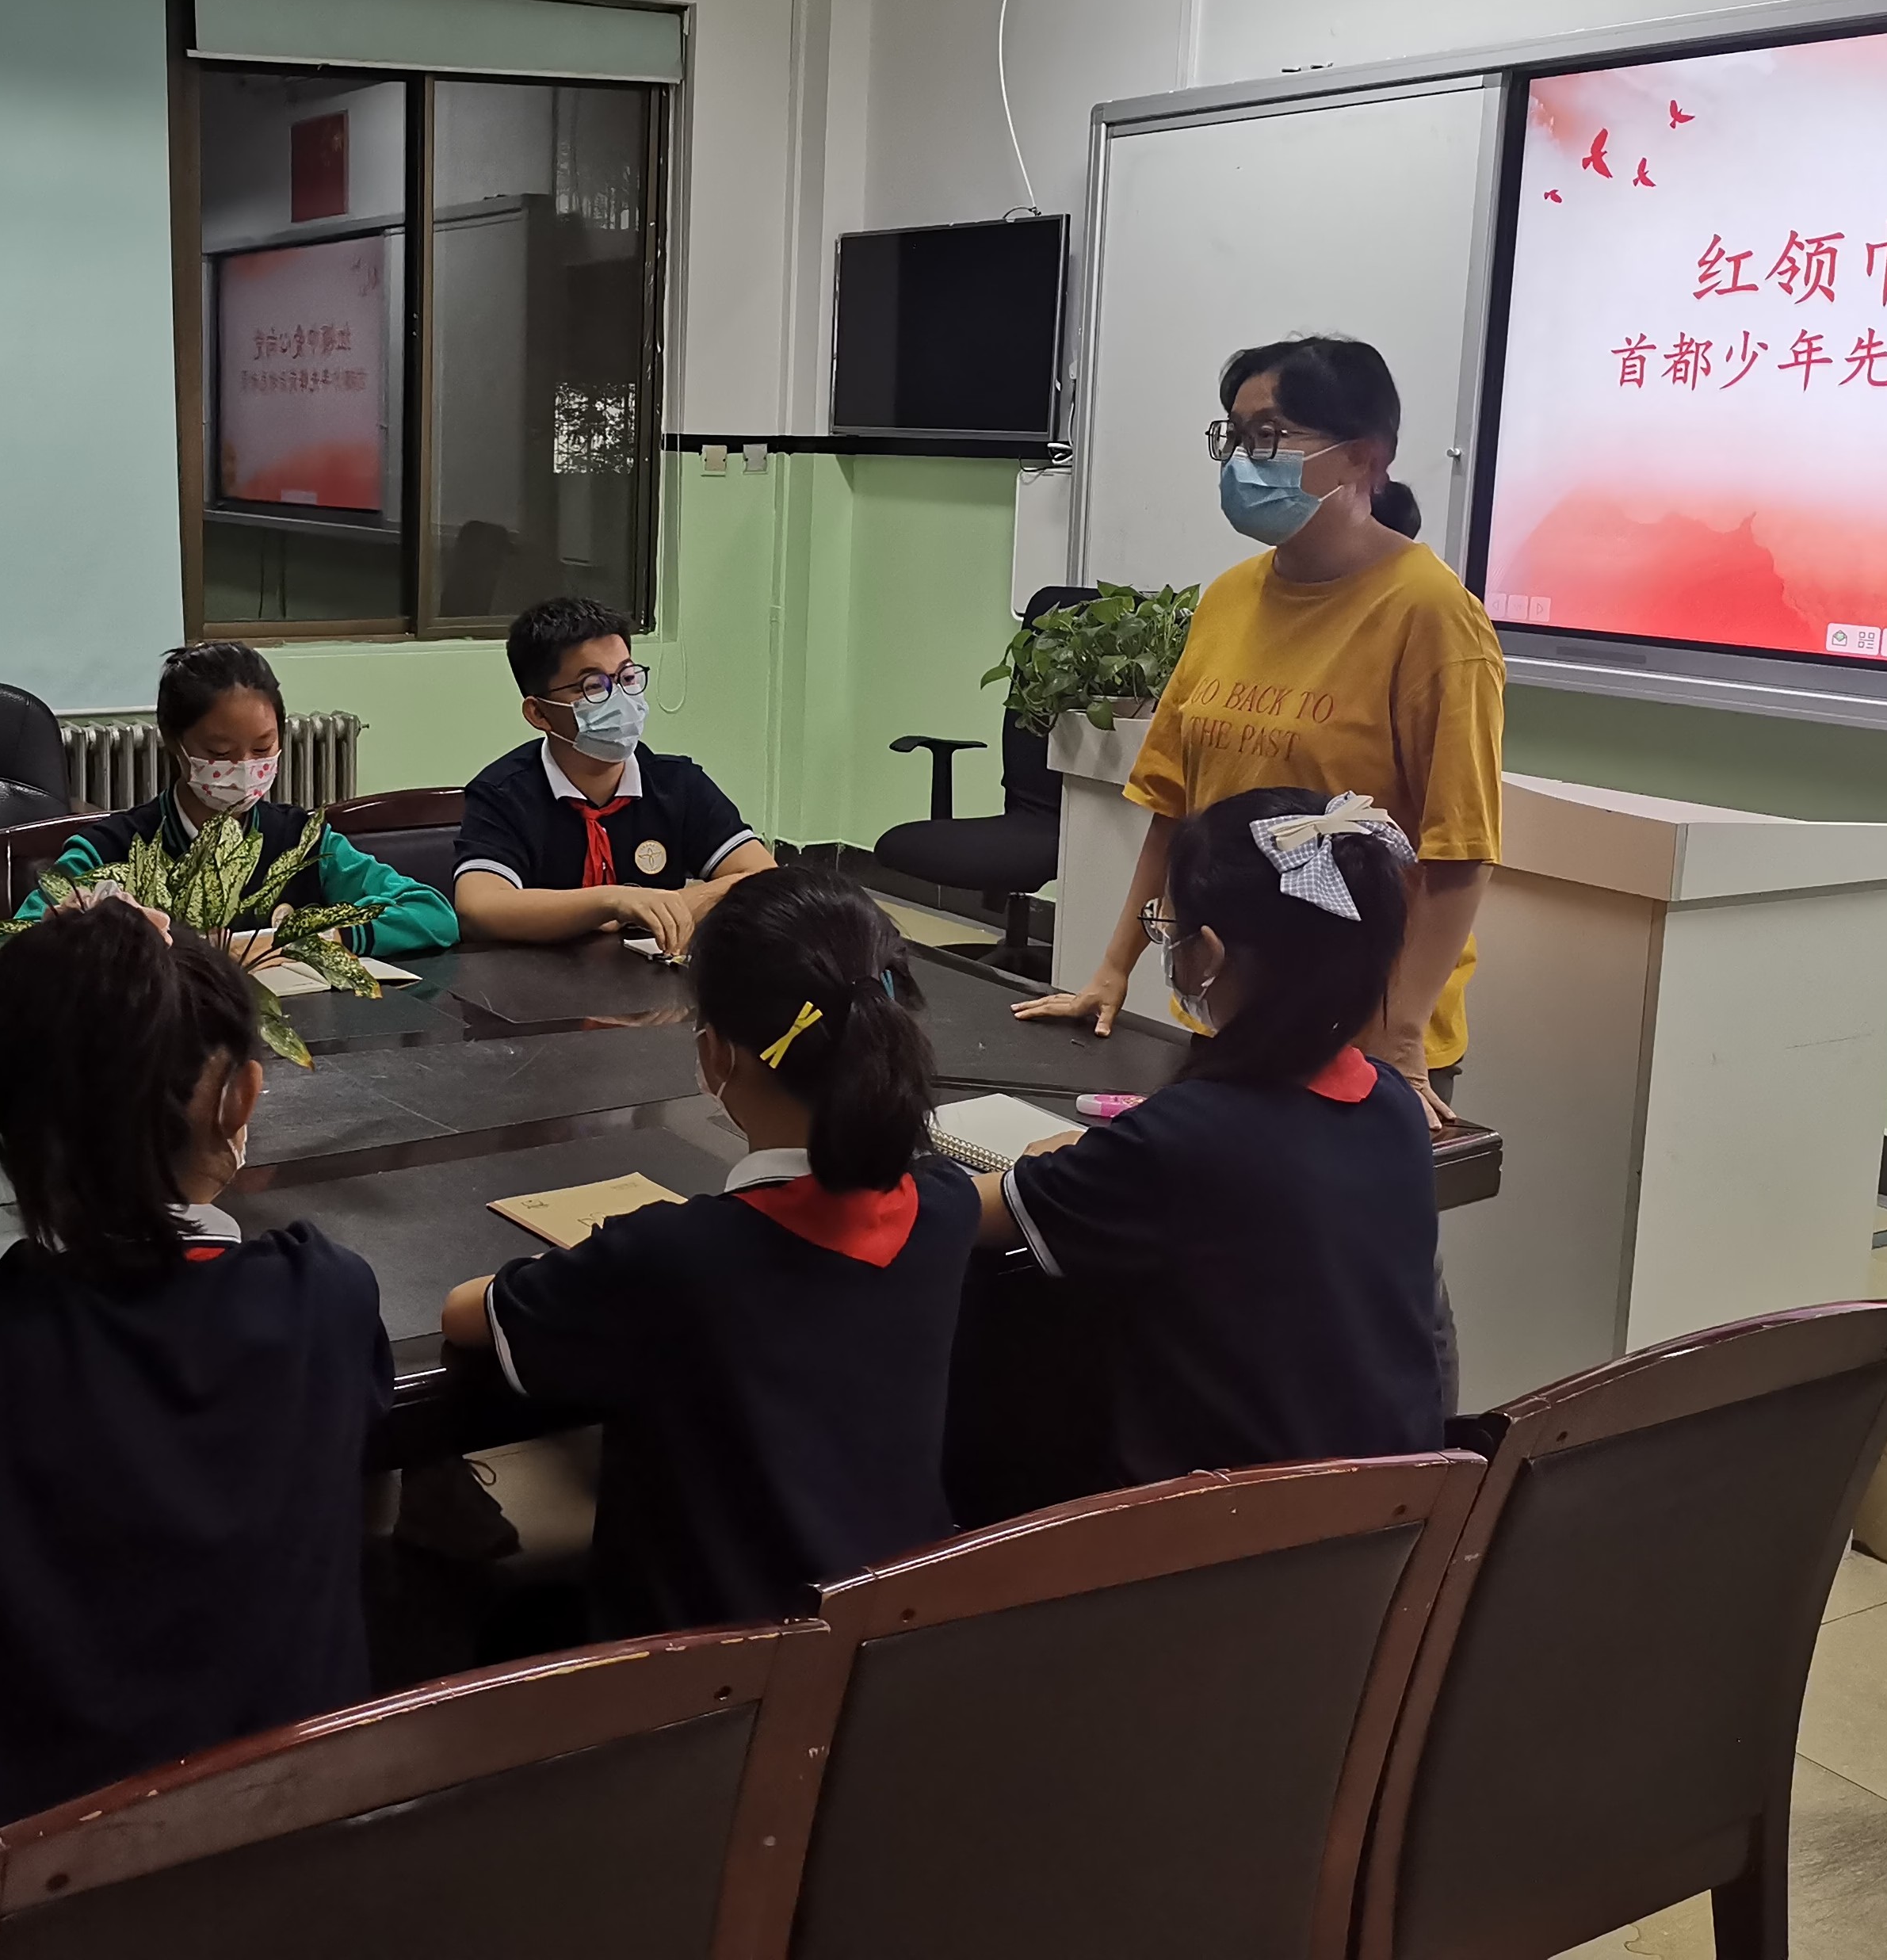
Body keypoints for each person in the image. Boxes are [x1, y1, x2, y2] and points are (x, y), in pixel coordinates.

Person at [0, 900, 388, 1906]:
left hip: (39, 1898)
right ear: (241, 1095)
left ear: (7, 1126)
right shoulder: (329, 1298)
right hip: (294, 1874)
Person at [440, 866, 976, 1635]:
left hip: (705, 1666)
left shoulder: (671, 1256)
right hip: (894, 1635)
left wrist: (610, 1249)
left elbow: (467, 1313)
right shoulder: (946, 1207)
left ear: (716, 1055)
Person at [1019, 337, 1503, 1128]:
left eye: (1270, 436)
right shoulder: (1227, 599)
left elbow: (1460, 853)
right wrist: (1112, 969)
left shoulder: (1432, 616)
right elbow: (1176, 814)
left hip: (1360, 1042)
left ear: (1365, 456)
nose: (1245, 460)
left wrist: (1402, 1039)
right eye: (1236, 437)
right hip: (1226, 1012)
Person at [978, 789, 1449, 1490]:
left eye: (1170, 929)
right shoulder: (1392, 1107)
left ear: (1208, 955)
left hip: (1223, 1528)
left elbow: (968, 1212)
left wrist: (1053, 1162)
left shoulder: (1180, 1139)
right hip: (1385, 1513)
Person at [12, 643, 456, 956]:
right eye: (220, 752)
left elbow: (431, 913)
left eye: (263, 748)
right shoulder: (113, 847)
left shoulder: (301, 841)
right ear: (174, 743)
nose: (245, 768)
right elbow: (15, 943)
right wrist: (80, 927)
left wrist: (329, 937)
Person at [451, 595, 774, 957]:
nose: (619, 698)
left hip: (652, 983)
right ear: (539, 714)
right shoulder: (503, 793)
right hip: (538, 984)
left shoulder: (677, 784)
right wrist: (612, 902)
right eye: (593, 685)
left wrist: (674, 904)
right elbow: (478, 910)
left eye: (627, 677)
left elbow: (766, 878)